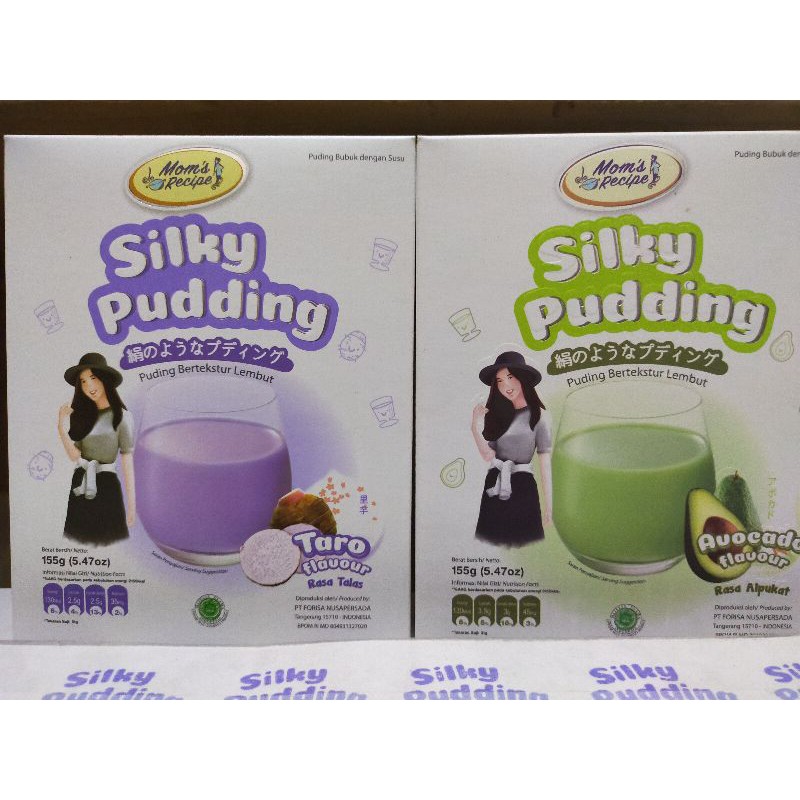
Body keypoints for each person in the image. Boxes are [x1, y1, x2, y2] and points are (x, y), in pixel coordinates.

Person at [471, 351, 552, 547]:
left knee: (524, 540)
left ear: (522, 378)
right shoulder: (498, 414)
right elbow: (487, 455)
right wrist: (474, 425)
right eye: (499, 381)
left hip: (523, 485)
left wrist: (549, 507)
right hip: (494, 483)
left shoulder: (538, 416)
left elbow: (544, 462)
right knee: (490, 539)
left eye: (510, 377)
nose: (505, 385)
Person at [57, 353, 136, 545]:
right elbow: (74, 456)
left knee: (108, 539)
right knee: (77, 538)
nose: (89, 386)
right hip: (80, 483)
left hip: (106, 485)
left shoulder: (122, 417)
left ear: (104, 379)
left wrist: (132, 506)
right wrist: (60, 426)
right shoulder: (82, 416)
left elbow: (127, 461)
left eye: (93, 378)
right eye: (83, 381)